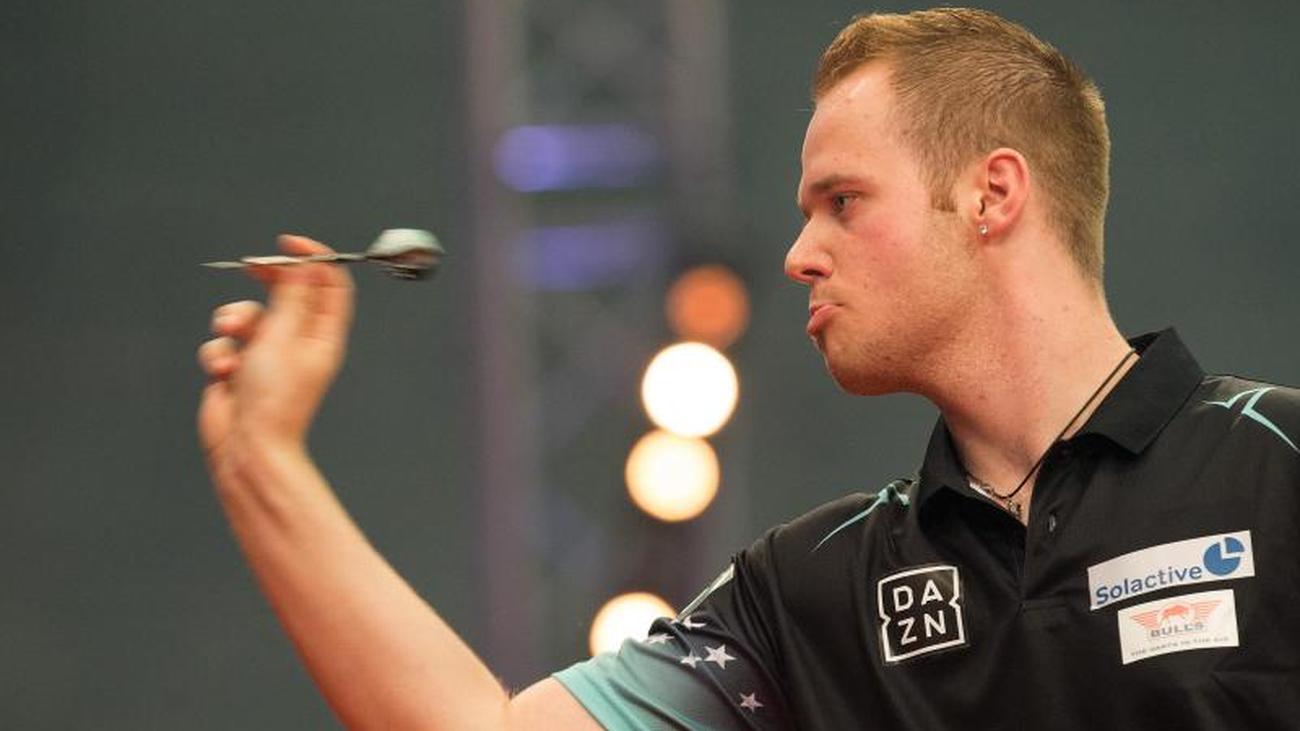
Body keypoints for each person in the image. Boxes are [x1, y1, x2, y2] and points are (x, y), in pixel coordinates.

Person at [197, 7, 1299, 730]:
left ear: (991, 195)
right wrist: (260, 459)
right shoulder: (807, 589)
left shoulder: (1275, 467)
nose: (798, 254)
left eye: (843, 201)